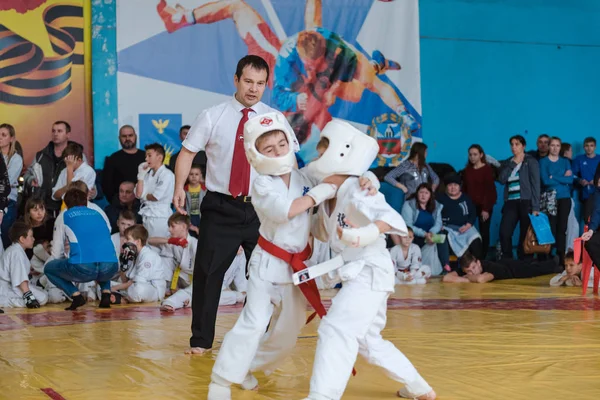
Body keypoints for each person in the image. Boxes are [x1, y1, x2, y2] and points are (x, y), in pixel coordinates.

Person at [157, 0, 416, 148]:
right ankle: (180, 19)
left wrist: (405, 114)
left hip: (310, 94)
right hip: (282, 68)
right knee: (236, 7)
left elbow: (377, 87)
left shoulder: (337, 53)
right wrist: (296, 101)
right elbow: (280, 97)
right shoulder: (284, 60)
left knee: (357, 89)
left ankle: (376, 64)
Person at [207, 112, 339, 399]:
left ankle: (246, 367)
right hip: (268, 263)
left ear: (290, 141)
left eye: (281, 143)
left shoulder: (305, 177)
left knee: (287, 334)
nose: (278, 151)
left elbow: (335, 178)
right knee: (254, 322)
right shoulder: (262, 184)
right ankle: (220, 380)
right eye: (269, 148)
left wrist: (361, 183)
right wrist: (320, 194)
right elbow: (286, 211)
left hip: (298, 267)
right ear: (257, 154)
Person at [172, 55, 299, 355]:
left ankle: (258, 337)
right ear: (236, 80)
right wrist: (179, 186)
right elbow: (188, 153)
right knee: (207, 273)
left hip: (263, 208)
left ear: (266, 85)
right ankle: (201, 341)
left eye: (260, 83)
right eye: (248, 81)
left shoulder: (274, 118)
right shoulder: (213, 115)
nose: (253, 89)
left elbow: (288, 161)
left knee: (265, 276)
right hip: (221, 206)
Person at [302, 120, 435, 400]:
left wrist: (363, 234)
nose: (316, 159)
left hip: (370, 271)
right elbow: (319, 232)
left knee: (336, 328)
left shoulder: (357, 187)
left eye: (321, 152)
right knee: (367, 341)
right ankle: (419, 387)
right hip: (361, 275)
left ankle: (322, 396)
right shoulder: (328, 197)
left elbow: (390, 217)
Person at [44, 189, 118, 310]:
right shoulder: (97, 213)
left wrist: (66, 263)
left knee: (49, 268)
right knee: (102, 257)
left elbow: (57, 253)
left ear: (66, 204)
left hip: (84, 268)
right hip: (111, 267)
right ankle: (106, 293)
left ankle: (76, 296)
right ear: (86, 202)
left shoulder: (64, 216)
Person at [22, 121, 86, 218]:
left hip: (69, 207)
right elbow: (27, 174)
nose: (55, 134)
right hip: (43, 207)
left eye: (59, 131)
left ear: (68, 134)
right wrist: (31, 180)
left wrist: (92, 191)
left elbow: (86, 176)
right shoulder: (40, 155)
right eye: (53, 131)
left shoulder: (78, 155)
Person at [161, 246, 247, 312]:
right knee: (192, 291)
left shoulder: (241, 256)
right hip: (206, 281)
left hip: (223, 290)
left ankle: (191, 302)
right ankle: (170, 302)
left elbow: (240, 279)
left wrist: (243, 291)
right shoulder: (218, 248)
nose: (241, 248)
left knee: (234, 296)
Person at [497, 135, 540, 260]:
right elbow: (501, 179)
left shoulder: (531, 161)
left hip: (526, 202)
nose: (514, 147)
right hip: (511, 202)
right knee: (504, 232)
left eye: (517, 144)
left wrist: (535, 207)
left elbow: (535, 184)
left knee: (525, 234)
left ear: (523, 146)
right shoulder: (508, 162)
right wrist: (512, 164)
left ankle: (525, 262)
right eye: (512, 144)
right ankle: (507, 259)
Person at [110, 225, 166, 303]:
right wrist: (123, 265)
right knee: (105, 285)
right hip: (132, 287)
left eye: (128, 239)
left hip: (153, 289)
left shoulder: (148, 255)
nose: (124, 241)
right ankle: (122, 297)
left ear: (138, 241)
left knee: (137, 289)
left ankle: (122, 298)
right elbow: (125, 281)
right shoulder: (132, 254)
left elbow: (137, 282)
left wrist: (116, 288)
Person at [539, 137, 573, 267]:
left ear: (560, 147)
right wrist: (562, 177)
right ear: (548, 147)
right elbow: (546, 181)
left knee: (562, 228)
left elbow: (570, 180)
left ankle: (561, 257)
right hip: (550, 198)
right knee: (551, 228)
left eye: (557, 145)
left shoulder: (565, 161)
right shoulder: (543, 162)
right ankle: (549, 256)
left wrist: (554, 177)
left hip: (565, 197)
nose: (555, 148)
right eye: (552, 145)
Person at [437, 173, 483, 264]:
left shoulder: (466, 198)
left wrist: (468, 225)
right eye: (450, 185)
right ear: (446, 187)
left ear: (459, 186)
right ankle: (450, 267)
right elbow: (435, 215)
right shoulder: (440, 199)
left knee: (476, 240)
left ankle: (476, 265)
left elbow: (473, 213)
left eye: (455, 185)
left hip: (465, 227)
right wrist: (439, 225)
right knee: (444, 239)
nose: (453, 187)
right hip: (448, 228)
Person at [0, 222, 48, 308]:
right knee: (43, 298)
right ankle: (5, 301)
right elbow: (19, 278)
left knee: (43, 293)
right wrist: (28, 295)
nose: (33, 239)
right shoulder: (16, 252)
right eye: (31, 236)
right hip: (7, 289)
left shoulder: (15, 249)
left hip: (10, 286)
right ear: (22, 239)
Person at [401, 183, 446, 273]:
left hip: (430, 236)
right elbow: (407, 225)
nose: (423, 195)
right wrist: (424, 234)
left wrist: (431, 233)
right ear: (417, 193)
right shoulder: (409, 204)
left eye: (426, 193)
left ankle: (446, 266)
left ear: (430, 195)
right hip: (416, 237)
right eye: (421, 192)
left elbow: (438, 223)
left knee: (442, 236)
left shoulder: (435, 205)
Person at [462, 144, 497, 259]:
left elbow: (490, 191)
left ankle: (483, 258)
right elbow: (465, 190)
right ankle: (469, 257)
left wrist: (486, 209)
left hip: (484, 206)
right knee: (467, 230)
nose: (472, 157)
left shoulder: (487, 169)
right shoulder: (467, 171)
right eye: (470, 154)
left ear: (481, 155)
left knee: (484, 232)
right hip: (470, 206)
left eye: (475, 154)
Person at [148, 212, 197, 293]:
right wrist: (172, 241)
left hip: (194, 279)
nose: (169, 229)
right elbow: (150, 241)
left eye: (173, 226)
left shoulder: (194, 244)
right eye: (169, 226)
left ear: (183, 227)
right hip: (180, 276)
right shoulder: (174, 242)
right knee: (163, 259)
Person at [442, 251, 558, 284]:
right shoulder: (469, 271)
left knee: (536, 269)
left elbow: (480, 279)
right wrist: (468, 278)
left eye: (474, 267)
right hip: (504, 264)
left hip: (514, 270)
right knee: (533, 265)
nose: (473, 272)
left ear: (478, 263)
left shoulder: (488, 267)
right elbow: (446, 278)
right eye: (469, 271)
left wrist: (466, 278)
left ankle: (557, 264)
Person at [136, 143, 175, 238]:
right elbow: (138, 194)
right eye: (146, 156)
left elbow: (155, 197)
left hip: (160, 216)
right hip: (147, 214)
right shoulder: (147, 174)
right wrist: (140, 176)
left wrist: (144, 196)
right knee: (147, 245)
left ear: (159, 157)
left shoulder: (167, 175)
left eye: (149, 155)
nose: (146, 159)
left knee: (158, 246)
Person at [101, 125, 146, 202]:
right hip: (120, 205)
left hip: (144, 203)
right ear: (119, 138)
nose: (127, 139)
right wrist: (116, 202)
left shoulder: (146, 157)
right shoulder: (113, 159)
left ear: (135, 136)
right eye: (124, 136)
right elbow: (107, 185)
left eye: (130, 135)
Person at [0, 123, 23, 249]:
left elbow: (6, 181)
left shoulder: (15, 159)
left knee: (5, 239)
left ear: (12, 138)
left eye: (3, 135)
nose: (0, 137)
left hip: (8, 202)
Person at [573, 137, 600, 222]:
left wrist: (596, 180)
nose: (589, 148)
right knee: (588, 219)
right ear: (584, 147)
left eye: (591, 145)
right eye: (587, 146)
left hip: (598, 191)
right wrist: (580, 180)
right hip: (587, 194)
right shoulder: (579, 159)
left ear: (595, 147)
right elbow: (572, 175)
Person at [184, 164, 206, 236]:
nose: (194, 176)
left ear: (200, 176)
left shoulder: (205, 189)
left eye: (196, 174)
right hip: (190, 217)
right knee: (191, 236)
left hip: (202, 216)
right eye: (191, 174)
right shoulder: (184, 190)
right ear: (187, 175)